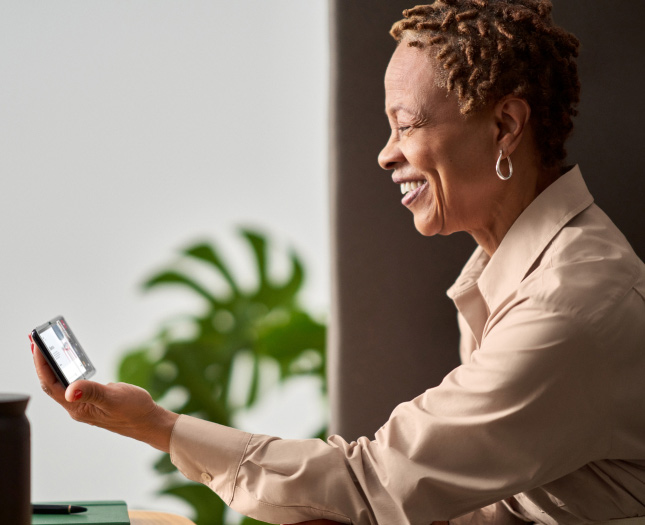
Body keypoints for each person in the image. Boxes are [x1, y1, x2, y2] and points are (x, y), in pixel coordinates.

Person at [32, 1, 645, 524]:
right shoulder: (521, 273)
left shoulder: (566, 306)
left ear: (506, 125)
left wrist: (158, 426)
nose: (384, 155)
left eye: (406, 125)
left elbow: (374, 483)